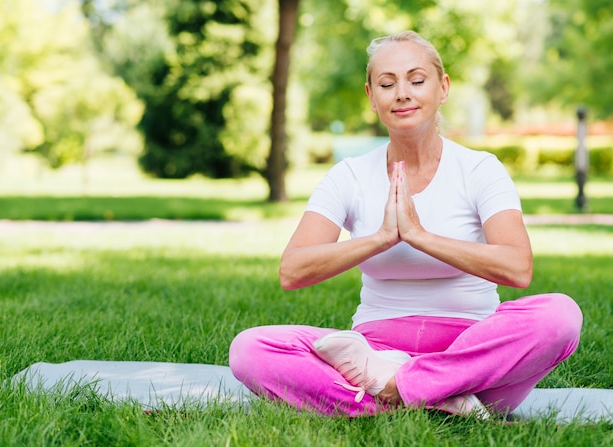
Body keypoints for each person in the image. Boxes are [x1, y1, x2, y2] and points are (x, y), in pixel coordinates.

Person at [229, 30, 582, 418]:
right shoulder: (349, 176)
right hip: (375, 351)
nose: (402, 93)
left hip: (469, 356)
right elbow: (292, 270)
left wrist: (419, 236)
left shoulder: (480, 169)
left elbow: (518, 268)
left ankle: (393, 391)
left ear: (442, 88)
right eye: (387, 83)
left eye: (416, 80)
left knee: (560, 316)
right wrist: (381, 238)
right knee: (250, 349)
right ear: (371, 97)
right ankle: (439, 399)